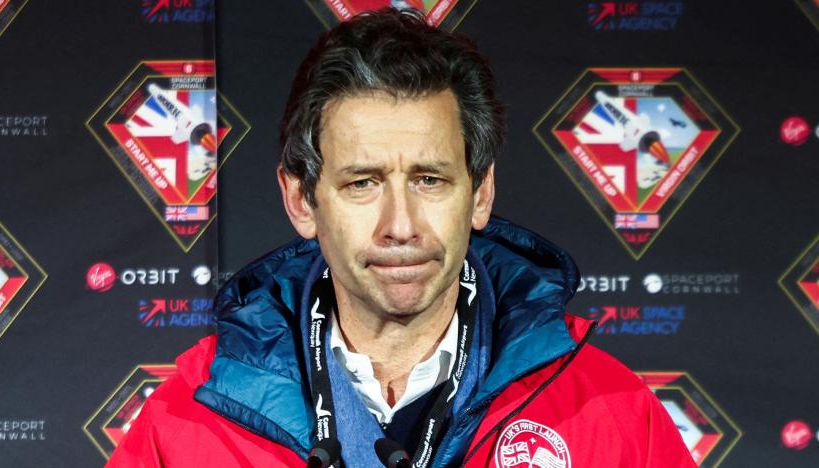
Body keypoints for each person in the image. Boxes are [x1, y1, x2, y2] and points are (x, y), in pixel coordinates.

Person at [108, 8, 696, 468]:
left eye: (430, 180)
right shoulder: (184, 425)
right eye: (362, 183)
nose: (402, 224)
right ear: (301, 201)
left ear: (481, 193)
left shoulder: (612, 413)